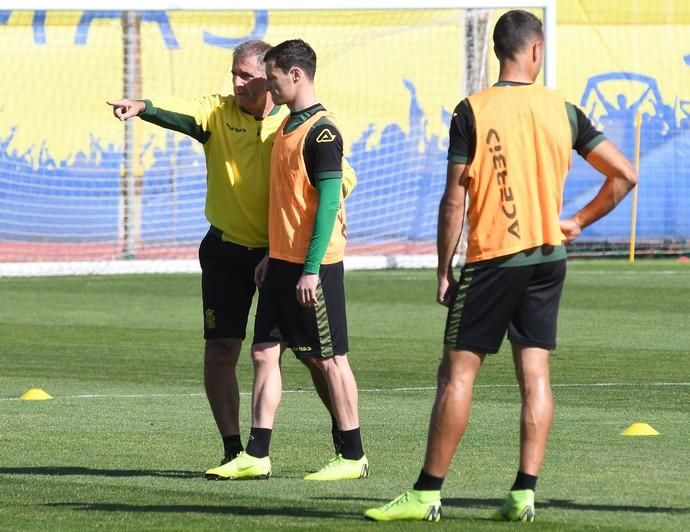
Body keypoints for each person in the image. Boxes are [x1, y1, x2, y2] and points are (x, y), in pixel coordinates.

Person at [365, 10, 637, 522]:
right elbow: (624, 174)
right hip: (548, 257)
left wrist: (444, 268)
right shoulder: (565, 110)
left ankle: (426, 493)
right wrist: (576, 221)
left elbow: (453, 201)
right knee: (534, 375)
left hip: (493, 259)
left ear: (498, 51)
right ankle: (523, 492)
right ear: (536, 50)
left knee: (457, 375)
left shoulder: (472, 110)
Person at [106, 40, 355, 477]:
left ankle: (347, 444)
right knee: (224, 350)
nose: (237, 84)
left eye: (247, 76)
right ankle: (236, 449)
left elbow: (339, 176)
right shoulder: (218, 114)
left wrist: (325, 218)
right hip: (225, 251)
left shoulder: (297, 122)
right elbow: (178, 109)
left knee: (315, 356)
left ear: (272, 77)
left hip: (280, 254)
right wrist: (142, 106)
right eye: (233, 74)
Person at [208, 39, 368, 481]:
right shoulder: (286, 128)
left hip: (313, 266)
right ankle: (257, 454)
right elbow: (285, 203)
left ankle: (353, 456)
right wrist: (273, 258)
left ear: (295, 75)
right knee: (263, 353)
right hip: (280, 262)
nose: (268, 88)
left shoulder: (322, 132)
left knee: (331, 360)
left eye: (273, 79)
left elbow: (328, 202)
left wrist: (310, 269)